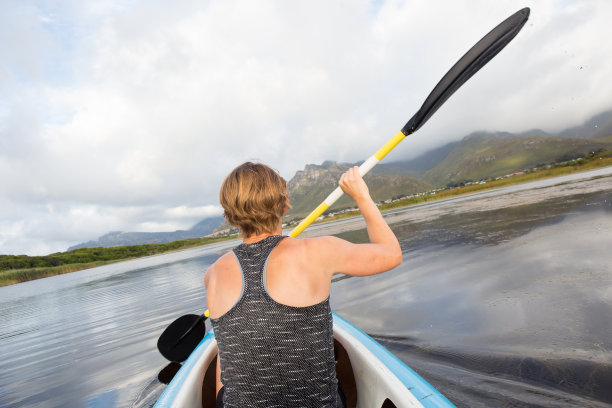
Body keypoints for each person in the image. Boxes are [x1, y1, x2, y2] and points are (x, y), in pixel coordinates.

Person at [204, 161, 402, 408]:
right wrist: (361, 195)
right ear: (285, 204)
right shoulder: (317, 251)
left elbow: (226, 357)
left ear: (230, 216)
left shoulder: (212, 274)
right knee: (344, 377)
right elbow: (391, 254)